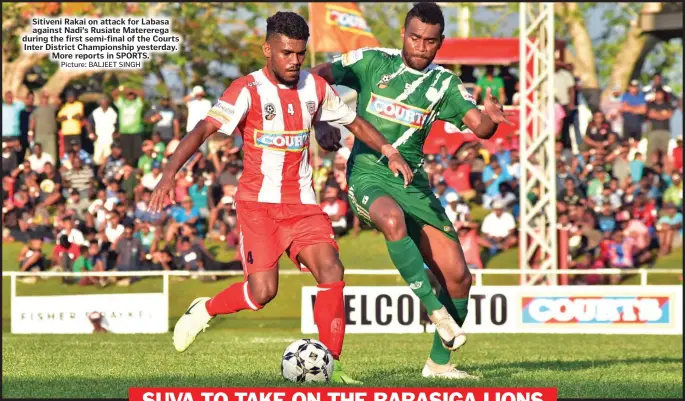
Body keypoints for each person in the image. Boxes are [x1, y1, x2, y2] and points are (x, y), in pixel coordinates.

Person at [148, 11, 415, 384]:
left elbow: (352, 121)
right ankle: (205, 308)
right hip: (258, 208)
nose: (294, 61)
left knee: (332, 271)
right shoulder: (247, 89)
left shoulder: (315, 88)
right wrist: (168, 173)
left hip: (302, 205)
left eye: (300, 54)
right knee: (262, 293)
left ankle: (330, 366)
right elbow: (203, 129)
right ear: (268, 49)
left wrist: (390, 150)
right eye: (286, 53)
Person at [311, 2, 510, 379]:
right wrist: (321, 119)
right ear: (403, 34)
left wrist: (492, 121)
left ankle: (438, 364)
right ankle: (433, 310)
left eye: (430, 41)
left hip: (413, 183)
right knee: (391, 218)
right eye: (415, 37)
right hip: (368, 174)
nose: (421, 46)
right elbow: (317, 75)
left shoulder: (446, 84)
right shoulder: (371, 61)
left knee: (459, 276)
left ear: (441, 43)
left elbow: (478, 127)